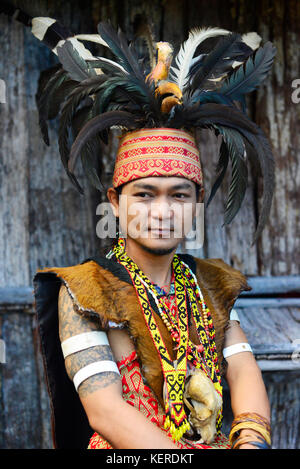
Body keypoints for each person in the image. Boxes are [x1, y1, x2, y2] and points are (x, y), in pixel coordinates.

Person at [5, 10, 275, 449]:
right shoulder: (84, 290)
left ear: (197, 204)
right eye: (145, 194)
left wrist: (251, 441)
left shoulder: (212, 283)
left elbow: (243, 369)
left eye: (180, 195)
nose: (162, 210)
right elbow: (106, 411)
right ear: (115, 201)